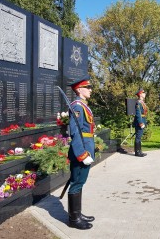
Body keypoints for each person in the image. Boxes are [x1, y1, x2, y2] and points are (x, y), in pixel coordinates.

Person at [67, 75, 95, 230]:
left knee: (80, 182)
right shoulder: (77, 106)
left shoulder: (83, 105)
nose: (91, 90)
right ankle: (73, 219)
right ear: (79, 89)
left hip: (87, 146)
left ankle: (77, 213)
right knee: (77, 183)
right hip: (81, 150)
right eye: (88, 87)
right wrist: (82, 154)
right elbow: (75, 133)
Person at [133, 89, 148, 157]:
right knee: (138, 137)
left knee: (139, 137)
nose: (145, 94)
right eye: (143, 93)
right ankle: (137, 152)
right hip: (140, 121)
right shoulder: (138, 103)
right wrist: (141, 123)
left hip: (142, 120)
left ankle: (140, 151)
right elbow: (138, 114)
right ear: (140, 94)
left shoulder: (142, 102)